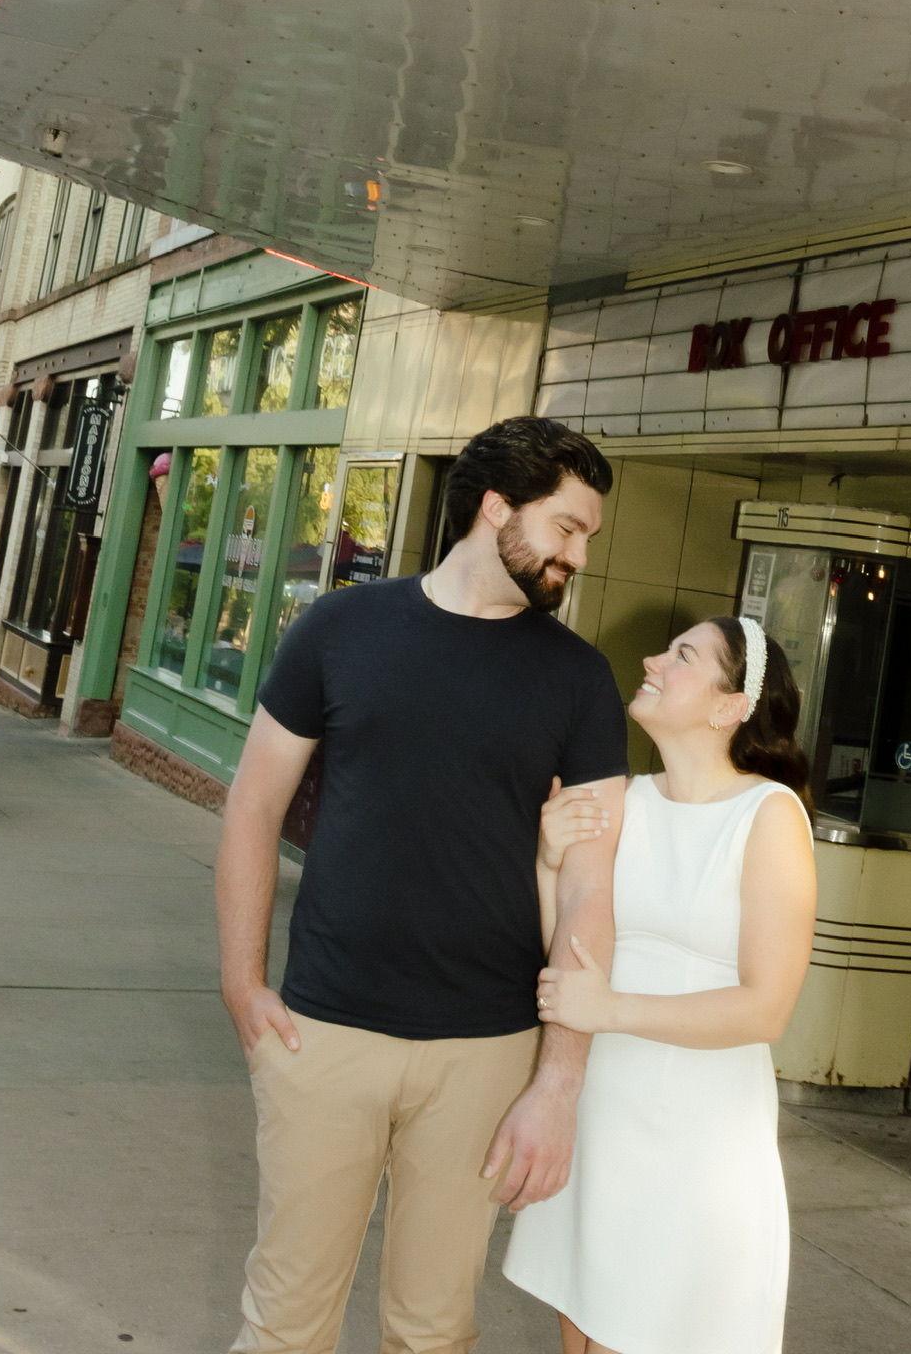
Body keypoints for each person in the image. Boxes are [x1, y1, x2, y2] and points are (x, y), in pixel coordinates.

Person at [213, 416, 630, 1354]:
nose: (578, 556)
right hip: (325, 1030)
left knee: (433, 1332)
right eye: (566, 528)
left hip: (486, 1051)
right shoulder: (339, 629)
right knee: (283, 1325)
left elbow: (589, 892)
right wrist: (242, 982)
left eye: (587, 537)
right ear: (496, 508)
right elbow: (252, 807)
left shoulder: (580, 680)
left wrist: (558, 1081)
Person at [502, 613, 818, 1354]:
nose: (651, 661)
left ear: (729, 705)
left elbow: (766, 1009)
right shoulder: (627, 800)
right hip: (601, 1115)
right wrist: (550, 864)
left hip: (696, 1141)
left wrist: (609, 1009)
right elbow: (569, 960)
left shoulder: (769, 816)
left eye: (682, 656)